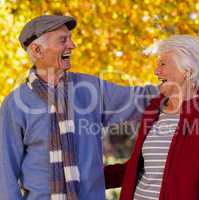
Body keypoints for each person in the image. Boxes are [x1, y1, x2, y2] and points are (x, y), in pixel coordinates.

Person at [0, 15, 159, 200]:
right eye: (63, 40)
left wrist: (178, 87)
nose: (72, 45)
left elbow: (139, 99)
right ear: (37, 50)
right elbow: (5, 171)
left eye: (70, 38)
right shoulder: (15, 104)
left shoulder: (90, 89)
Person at [105, 35, 199, 200]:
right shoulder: (153, 111)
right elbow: (135, 168)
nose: (156, 71)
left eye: (163, 64)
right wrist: (89, 178)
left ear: (187, 71)